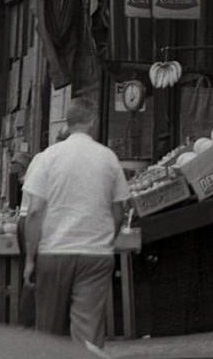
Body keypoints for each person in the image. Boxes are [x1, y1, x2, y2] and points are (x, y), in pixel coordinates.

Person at [20, 98, 128, 346]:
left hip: (53, 252)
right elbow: (119, 212)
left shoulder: (47, 157)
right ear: (93, 121)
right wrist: (106, 241)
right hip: (95, 255)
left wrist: (30, 259)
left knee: (47, 331)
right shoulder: (108, 158)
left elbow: (34, 212)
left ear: (68, 124)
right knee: (88, 332)